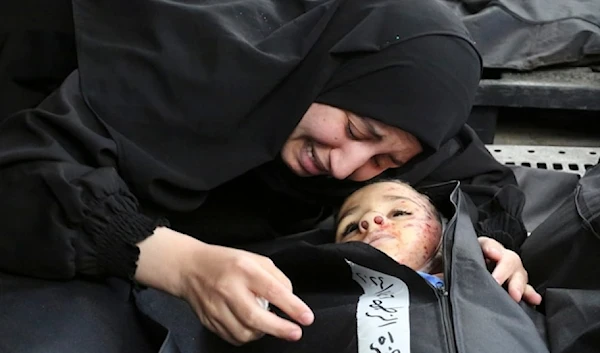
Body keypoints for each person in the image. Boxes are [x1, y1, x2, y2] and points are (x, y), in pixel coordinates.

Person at [0, 0, 534, 350]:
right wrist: (178, 261)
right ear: (326, 67)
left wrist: (485, 243)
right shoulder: (182, 64)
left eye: (384, 164)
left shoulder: (392, 114)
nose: (346, 167)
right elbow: (26, 175)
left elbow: (479, 181)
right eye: (355, 128)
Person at [335, 180, 542, 304]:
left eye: (399, 212)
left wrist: (494, 264)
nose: (369, 219)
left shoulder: (484, 274)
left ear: (444, 232)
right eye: (350, 228)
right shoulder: (317, 298)